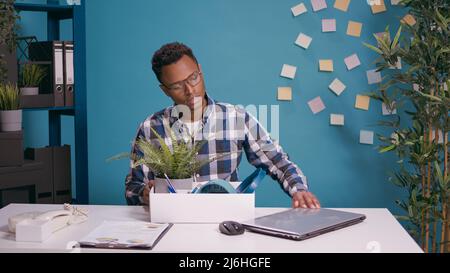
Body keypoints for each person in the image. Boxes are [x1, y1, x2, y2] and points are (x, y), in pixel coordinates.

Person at [125, 42, 320, 209]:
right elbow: (132, 188)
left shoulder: (237, 118)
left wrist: (299, 190)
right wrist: (144, 193)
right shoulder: (151, 127)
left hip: (225, 223)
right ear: (165, 90)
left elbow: (278, 161)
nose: (190, 90)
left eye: (194, 78)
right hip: (171, 224)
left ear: (200, 70)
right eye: (177, 86)